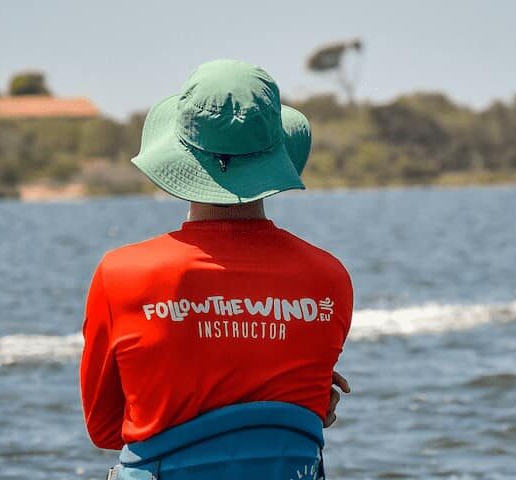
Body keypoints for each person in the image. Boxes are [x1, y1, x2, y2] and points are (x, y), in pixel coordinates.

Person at [80, 59, 353, 479]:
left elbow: (104, 428)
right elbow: (307, 415)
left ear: (180, 153)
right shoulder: (329, 279)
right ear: (277, 151)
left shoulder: (121, 275)